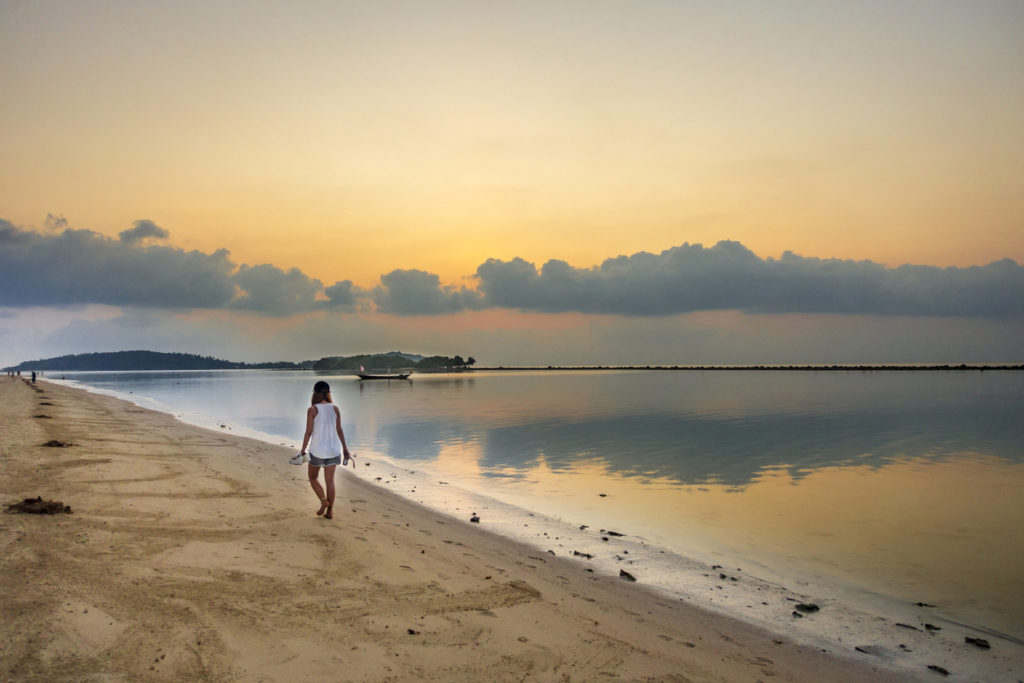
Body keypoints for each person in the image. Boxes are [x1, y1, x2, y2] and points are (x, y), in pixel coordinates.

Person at [290, 380, 354, 519]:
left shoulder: (313, 409)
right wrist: (345, 449)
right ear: (328, 393)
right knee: (330, 481)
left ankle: (324, 501)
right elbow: (339, 430)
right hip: (333, 450)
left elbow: (308, 432)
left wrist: (302, 451)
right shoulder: (335, 408)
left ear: (315, 393)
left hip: (317, 450)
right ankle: (330, 512)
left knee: (313, 478)